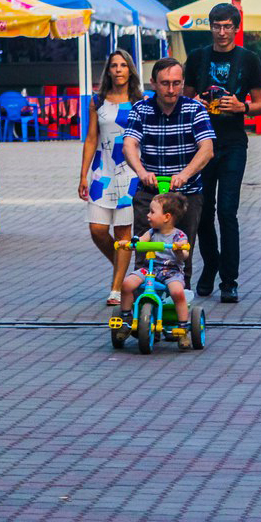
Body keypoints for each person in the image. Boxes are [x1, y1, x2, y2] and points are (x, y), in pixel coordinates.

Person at [183, 3, 261, 303]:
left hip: (233, 144)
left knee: (227, 212)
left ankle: (229, 280)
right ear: (211, 27)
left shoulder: (249, 60)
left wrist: (241, 107)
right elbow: (183, 98)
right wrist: (197, 106)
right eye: (217, 26)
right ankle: (210, 264)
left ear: (235, 27)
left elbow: (259, 104)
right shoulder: (197, 58)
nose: (221, 32)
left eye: (227, 26)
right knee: (202, 213)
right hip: (201, 145)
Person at [123, 58, 215, 290]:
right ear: (153, 83)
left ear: (183, 83)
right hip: (150, 193)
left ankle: (180, 301)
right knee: (145, 251)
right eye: (165, 83)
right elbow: (129, 145)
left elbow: (207, 149)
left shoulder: (195, 110)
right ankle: (141, 302)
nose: (171, 90)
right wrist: (142, 172)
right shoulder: (140, 110)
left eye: (176, 83)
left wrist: (185, 174)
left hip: (186, 194)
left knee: (182, 252)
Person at [78, 49, 142, 305]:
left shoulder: (140, 101)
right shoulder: (98, 100)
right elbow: (91, 138)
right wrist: (83, 175)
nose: (118, 70)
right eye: (113, 65)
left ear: (130, 70)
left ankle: (117, 288)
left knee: (124, 232)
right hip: (101, 172)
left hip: (129, 173)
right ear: (108, 71)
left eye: (123, 65)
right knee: (97, 229)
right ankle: (122, 267)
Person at [115, 192, 193, 349]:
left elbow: (184, 254)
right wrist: (130, 244)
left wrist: (179, 249)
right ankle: (126, 319)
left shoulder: (179, 235)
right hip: (150, 269)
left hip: (171, 271)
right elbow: (139, 241)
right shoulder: (151, 233)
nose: (148, 215)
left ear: (166, 217)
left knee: (177, 292)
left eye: (152, 212)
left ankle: (183, 328)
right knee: (127, 284)